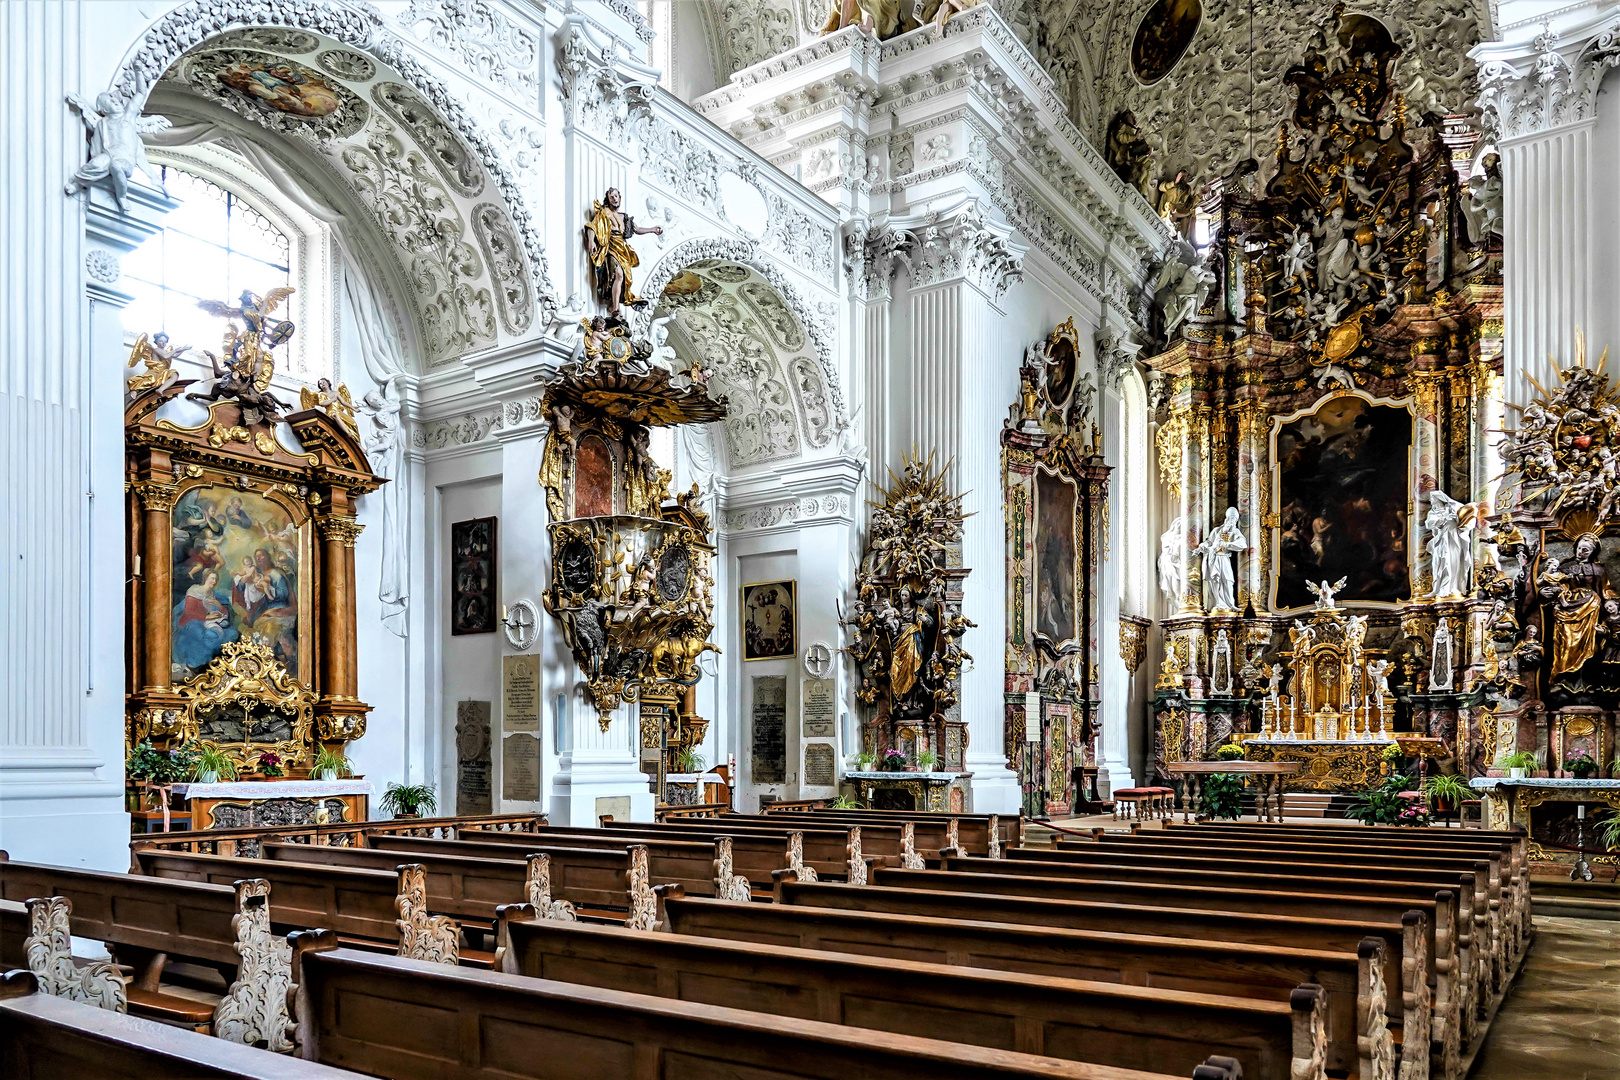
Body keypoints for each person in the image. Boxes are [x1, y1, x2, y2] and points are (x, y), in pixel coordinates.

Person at [582, 188, 662, 318]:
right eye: (611, 196)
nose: (614, 199)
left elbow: (637, 229)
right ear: (607, 199)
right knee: (618, 274)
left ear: (620, 198)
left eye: (616, 196)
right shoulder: (603, 213)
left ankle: (614, 305)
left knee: (624, 278)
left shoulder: (624, 217)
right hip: (611, 247)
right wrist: (591, 241)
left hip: (622, 249)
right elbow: (592, 226)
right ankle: (615, 307)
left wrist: (652, 229)